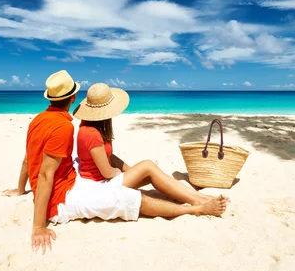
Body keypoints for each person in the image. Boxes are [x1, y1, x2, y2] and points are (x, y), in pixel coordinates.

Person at [3, 71, 228, 254]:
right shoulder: (63, 127)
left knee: (140, 174)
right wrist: (39, 226)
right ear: (73, 98)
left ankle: (197, 199)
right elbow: (44, 174)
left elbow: (27, 159)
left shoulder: (39, 120)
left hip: (71, 185)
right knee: (129, 199)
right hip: (62, 199)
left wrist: (22, 188)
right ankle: (196, 209)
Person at [73, 83, 227, 208]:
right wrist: (124, 173)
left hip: (104, 180)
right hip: (100, 185)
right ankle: (197, 200)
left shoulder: (93, 127)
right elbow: (107, 173)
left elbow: (109, 156)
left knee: (152, 171)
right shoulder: (91, 133)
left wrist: (130, 170)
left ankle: (199, 196)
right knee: (148, 166)